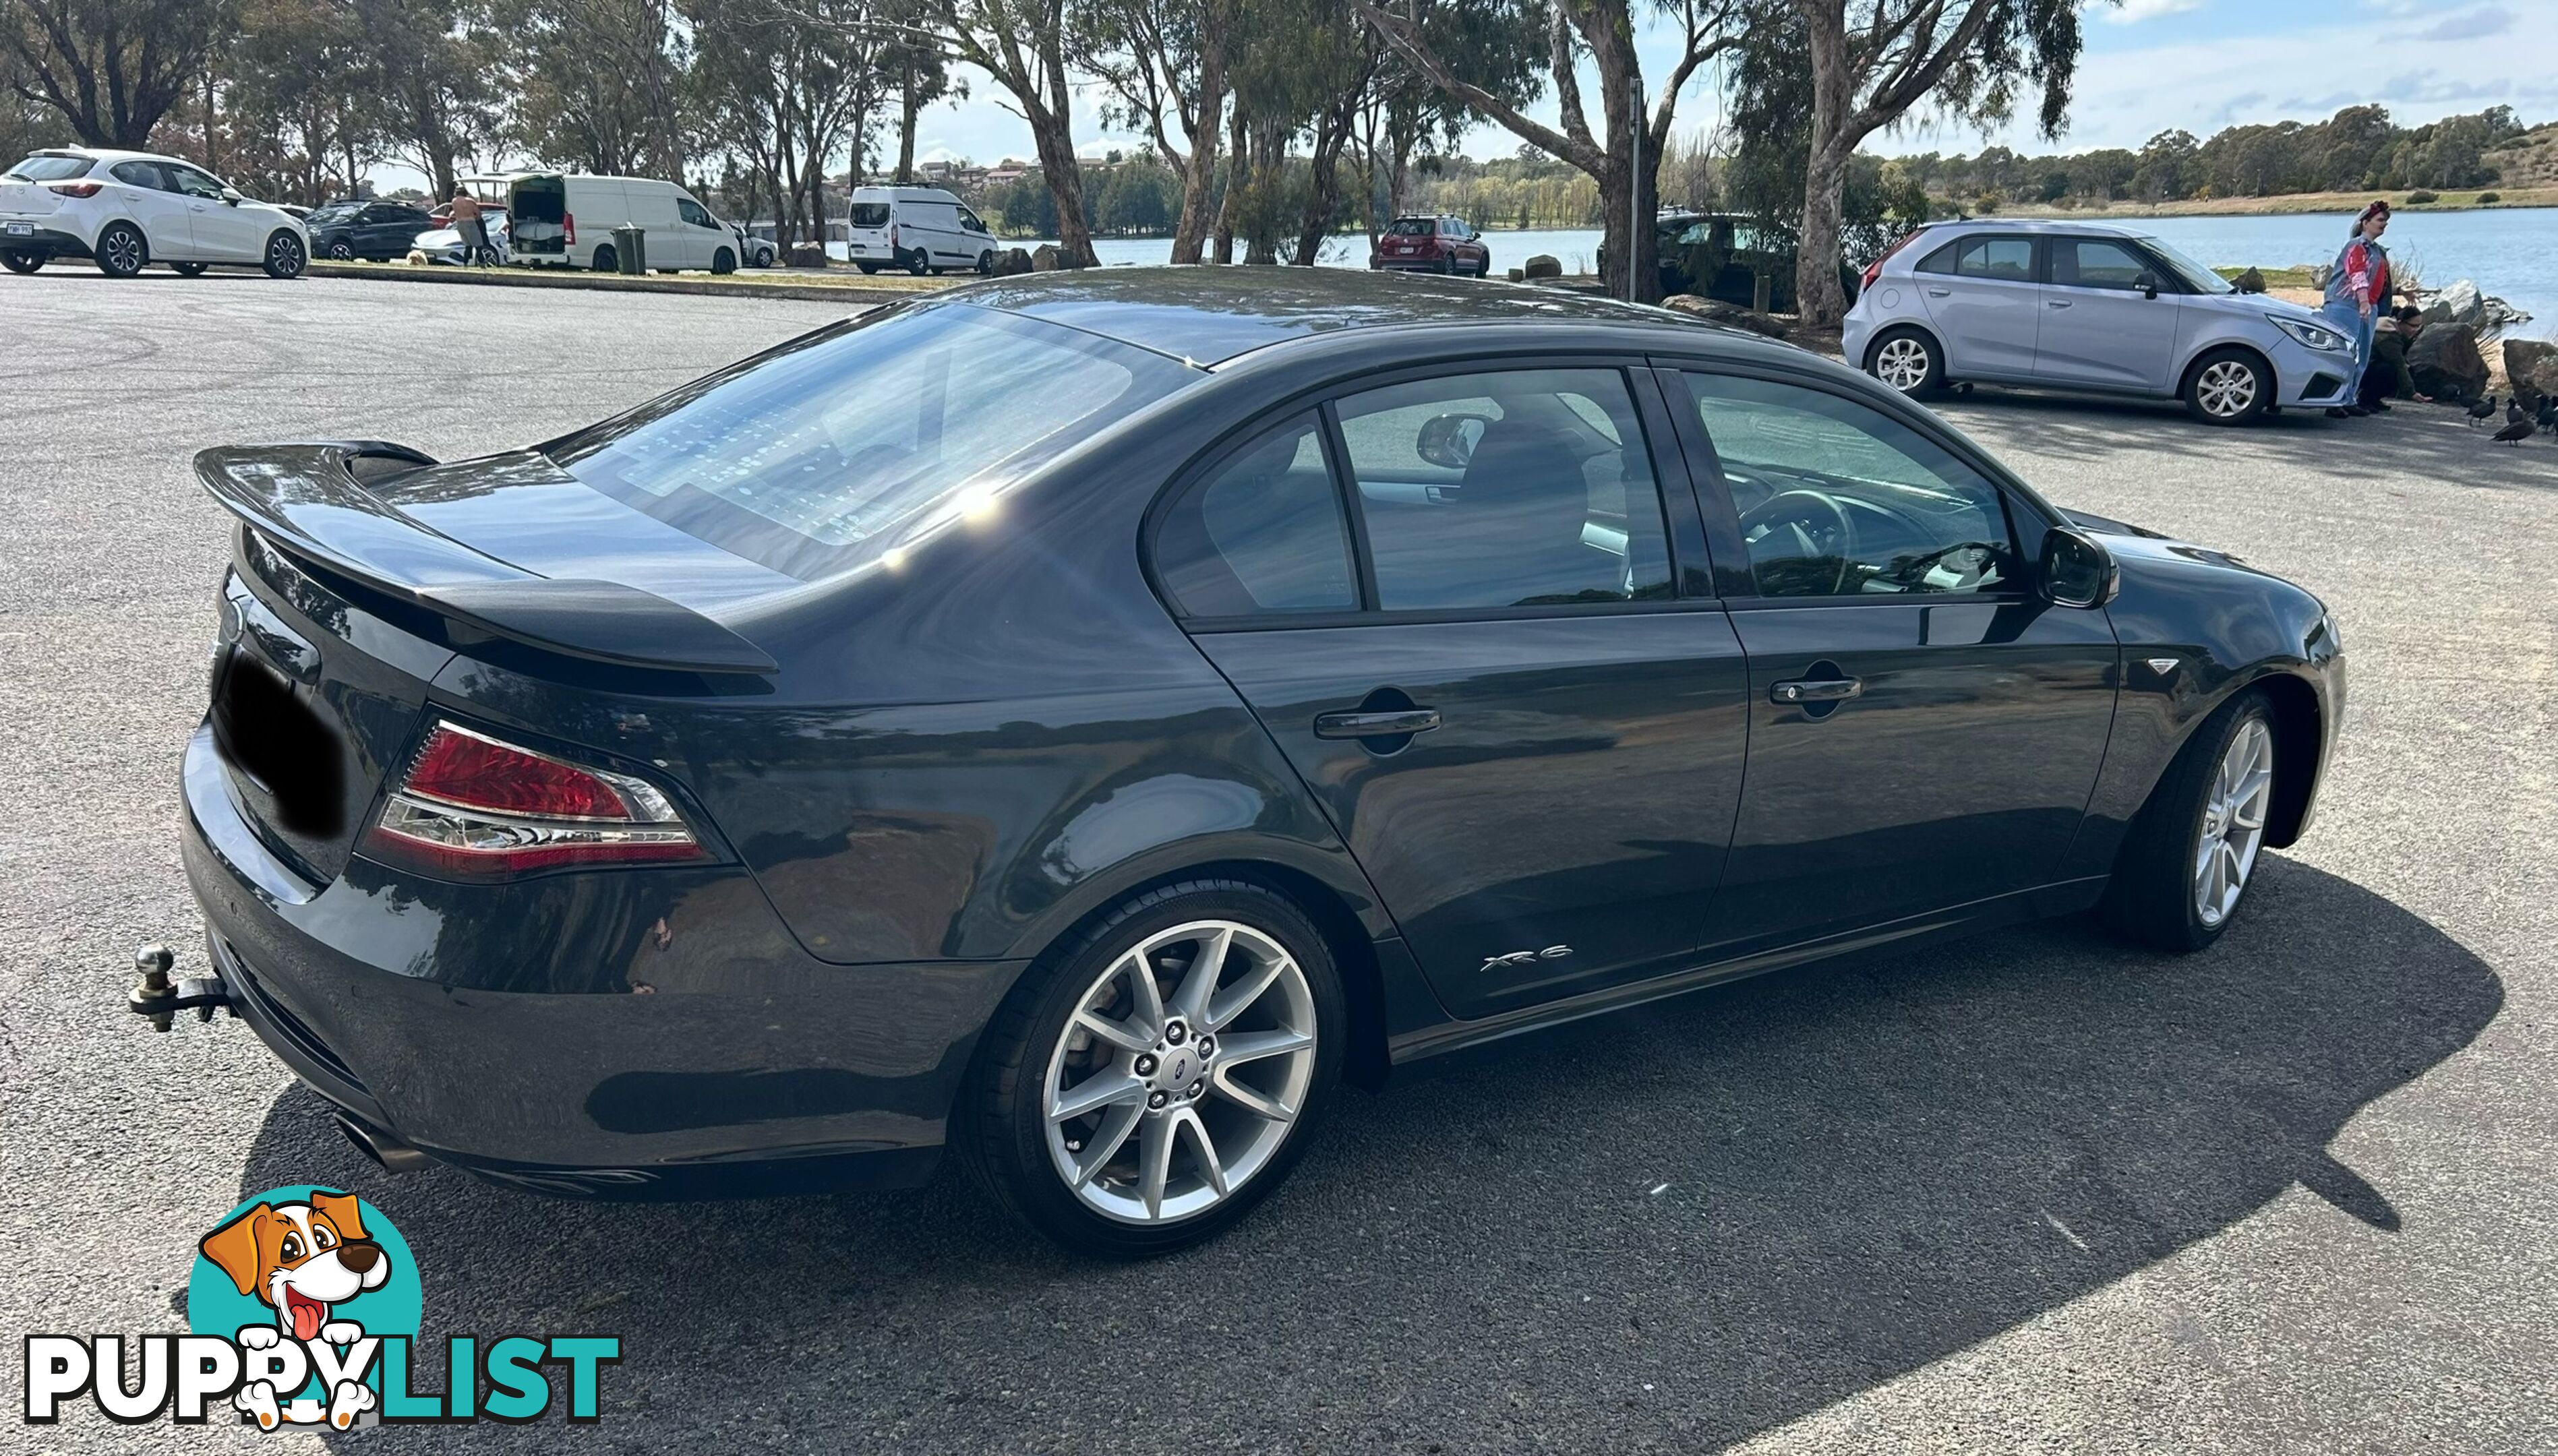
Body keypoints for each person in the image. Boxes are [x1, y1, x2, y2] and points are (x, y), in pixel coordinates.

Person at [2321, 201, 2391, 418]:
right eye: (2380, 221)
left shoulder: (2378, 251)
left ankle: (2349, 398)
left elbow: (2377, 281)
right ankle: (2333, 401)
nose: (2384, 225)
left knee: (2362, 356)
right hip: (2346, 306)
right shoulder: (2356, 247)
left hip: (2367, 308)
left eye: (2386, 222)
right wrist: (2362, 302)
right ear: (2365, 223)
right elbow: (2357, 275)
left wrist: (2398, 293)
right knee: (2345, 354)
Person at [2360, 305, 2430, 411]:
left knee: (2405, 370)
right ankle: (2366, 399)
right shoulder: (2388, 336)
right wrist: (2412, 393)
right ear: (2400, 322)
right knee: (2389, 369)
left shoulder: (2395, 331)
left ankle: (2374, 400)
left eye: (2419, 326)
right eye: (2413, 326)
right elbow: (2399, 363)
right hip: (2362, 370)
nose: (2416, 330)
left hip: (2368, 367)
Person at [447, 185, 492, 268]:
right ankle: (482, 263)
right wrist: (478, 221)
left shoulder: (454, 201)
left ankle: (465, 263)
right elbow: (478, 214)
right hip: (470, 223)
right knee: (478, 246)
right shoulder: (470, 201)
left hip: (460, 224)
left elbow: (454, 213)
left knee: (468, 246)